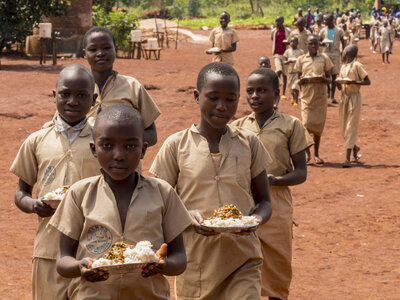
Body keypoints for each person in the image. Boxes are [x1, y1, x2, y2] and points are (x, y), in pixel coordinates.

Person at [150, 62, 273, 300]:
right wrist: (186, 215)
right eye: (213, 97)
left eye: (230, 99)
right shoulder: (177, 145)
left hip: (243, 259)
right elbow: (157, 201)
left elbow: (265, 201)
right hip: (195, 263)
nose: (222, 106)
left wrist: (256, 219)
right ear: (197, 97)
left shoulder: (249, 143)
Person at [50, 104, 193, 299]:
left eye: (130, 146)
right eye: (107, 146)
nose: (118, 155)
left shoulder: (163, 193)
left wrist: (163, 265)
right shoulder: (79, 194)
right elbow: (62, 260)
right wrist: (79, 266)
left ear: (143, 150)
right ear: (94, 149)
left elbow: (180, 259)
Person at [10, 64, 101, 300]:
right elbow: (21, 192)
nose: (72, 101)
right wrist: (33, 205)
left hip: (92, 249)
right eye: (65, 94)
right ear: (54, 96)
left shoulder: (103, 142)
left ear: (93, 100)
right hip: (48, 250)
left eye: (81, 95)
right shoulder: (37, 141)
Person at [231, 68, 313, 300]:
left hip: (277, 203)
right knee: (244, 265)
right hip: (245, 202)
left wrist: (274, 180)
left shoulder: (291, 125)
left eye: (262, 91)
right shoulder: (237, 128)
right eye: (250, 91)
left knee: (277, 264)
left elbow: (300, 173)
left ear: (276, 94)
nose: (255, 96)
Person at [82, 26, 160, 147]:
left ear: (116, 50)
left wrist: (122, 143)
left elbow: (152, 135)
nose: (100, 53)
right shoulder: (77, 88)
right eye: (93, 49)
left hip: (123, 162)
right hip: (83, 163)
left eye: (106, 48)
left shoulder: (132, 86)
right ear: (84, 54)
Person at [294, 35, 334, 165]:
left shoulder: (324, 58)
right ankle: (307, 153)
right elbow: (298, 79)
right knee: (305, 125)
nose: (313, 46)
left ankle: (316, 154)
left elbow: (330, 79)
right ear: (306, 44)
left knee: (317, 127)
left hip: (320, 97)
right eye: (310, 44)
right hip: (306, 97)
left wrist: (323, 80)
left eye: (315, 44)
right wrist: (302, 80)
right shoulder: (301, 59)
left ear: (319, 45)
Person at [337, 45, 371, 168]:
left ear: (349, 53)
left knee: (351, 126)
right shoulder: (343, 67)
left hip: (354, 97)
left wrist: (353, 82)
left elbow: (368, 81)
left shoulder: (357, 65)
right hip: (344, 98)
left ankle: (347, 158)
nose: (343, 53)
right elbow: (340, 87)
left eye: (345, 51)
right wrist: (338, 83)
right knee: (344, 127)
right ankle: (355, 147)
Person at [319, 13, 345, 104]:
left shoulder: (338, 30)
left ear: (332, 20)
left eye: (326, 20)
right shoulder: (322, 31)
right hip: (325, 54)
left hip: (335, 54)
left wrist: (344, 54)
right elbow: (318, 41)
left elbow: (343, 41)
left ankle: (333, 96)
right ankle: (328, 90)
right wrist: (322, 43)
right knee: (326, 75)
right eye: (324, 19)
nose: (324, 21)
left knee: (334, 76)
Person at [271, 16, 291, 100]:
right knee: (278, 70)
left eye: (278, 21)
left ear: (282, 21)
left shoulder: (288, 31)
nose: (277, 23)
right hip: (277, 54)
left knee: (285, 74)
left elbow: (290, 41)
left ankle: (283, 93)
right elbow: (272, 39)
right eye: (276, 21)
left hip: (285, 54)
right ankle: (278, 86)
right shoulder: (274, 31)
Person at [283, 37, 304, 106]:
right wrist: (288, 61)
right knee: (291, 88)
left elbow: (303, 60)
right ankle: (293, 96)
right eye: (291, 42)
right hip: (290, 72)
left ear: (297, 43)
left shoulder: (301, 51)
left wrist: (297, 61)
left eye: (294, 42)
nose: (292, 43)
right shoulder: (287, 51)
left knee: (296, 86)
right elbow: (284, 61)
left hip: (297, 72)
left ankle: (296, 101)